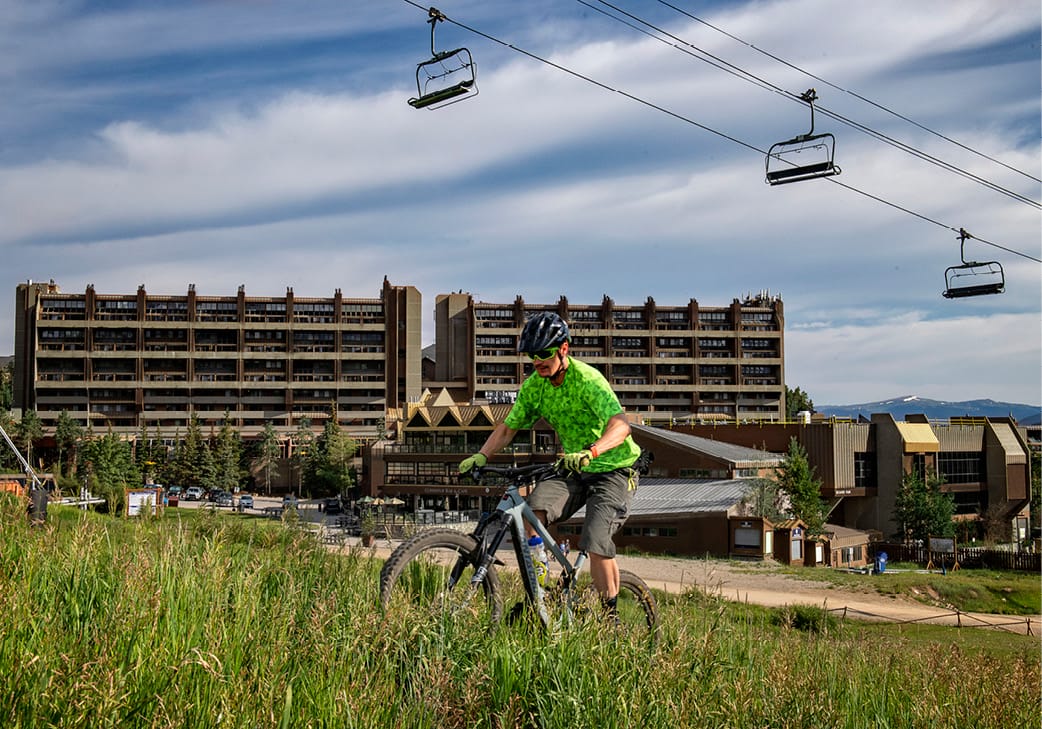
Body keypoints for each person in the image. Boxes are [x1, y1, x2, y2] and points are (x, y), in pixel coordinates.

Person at [459, 311, 641, 617]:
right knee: (533, 510)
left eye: (544, 353)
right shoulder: (535, 386)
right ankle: (541, 576)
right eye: (532, 356)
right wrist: (482, 455)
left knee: (595, 542)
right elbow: (508, 428)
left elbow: (622, 426)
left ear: (563, 349)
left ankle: (611, 623)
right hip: (574, 468)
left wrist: (593, 452)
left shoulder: (587, 380)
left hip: (614, 469)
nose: (537, 361)